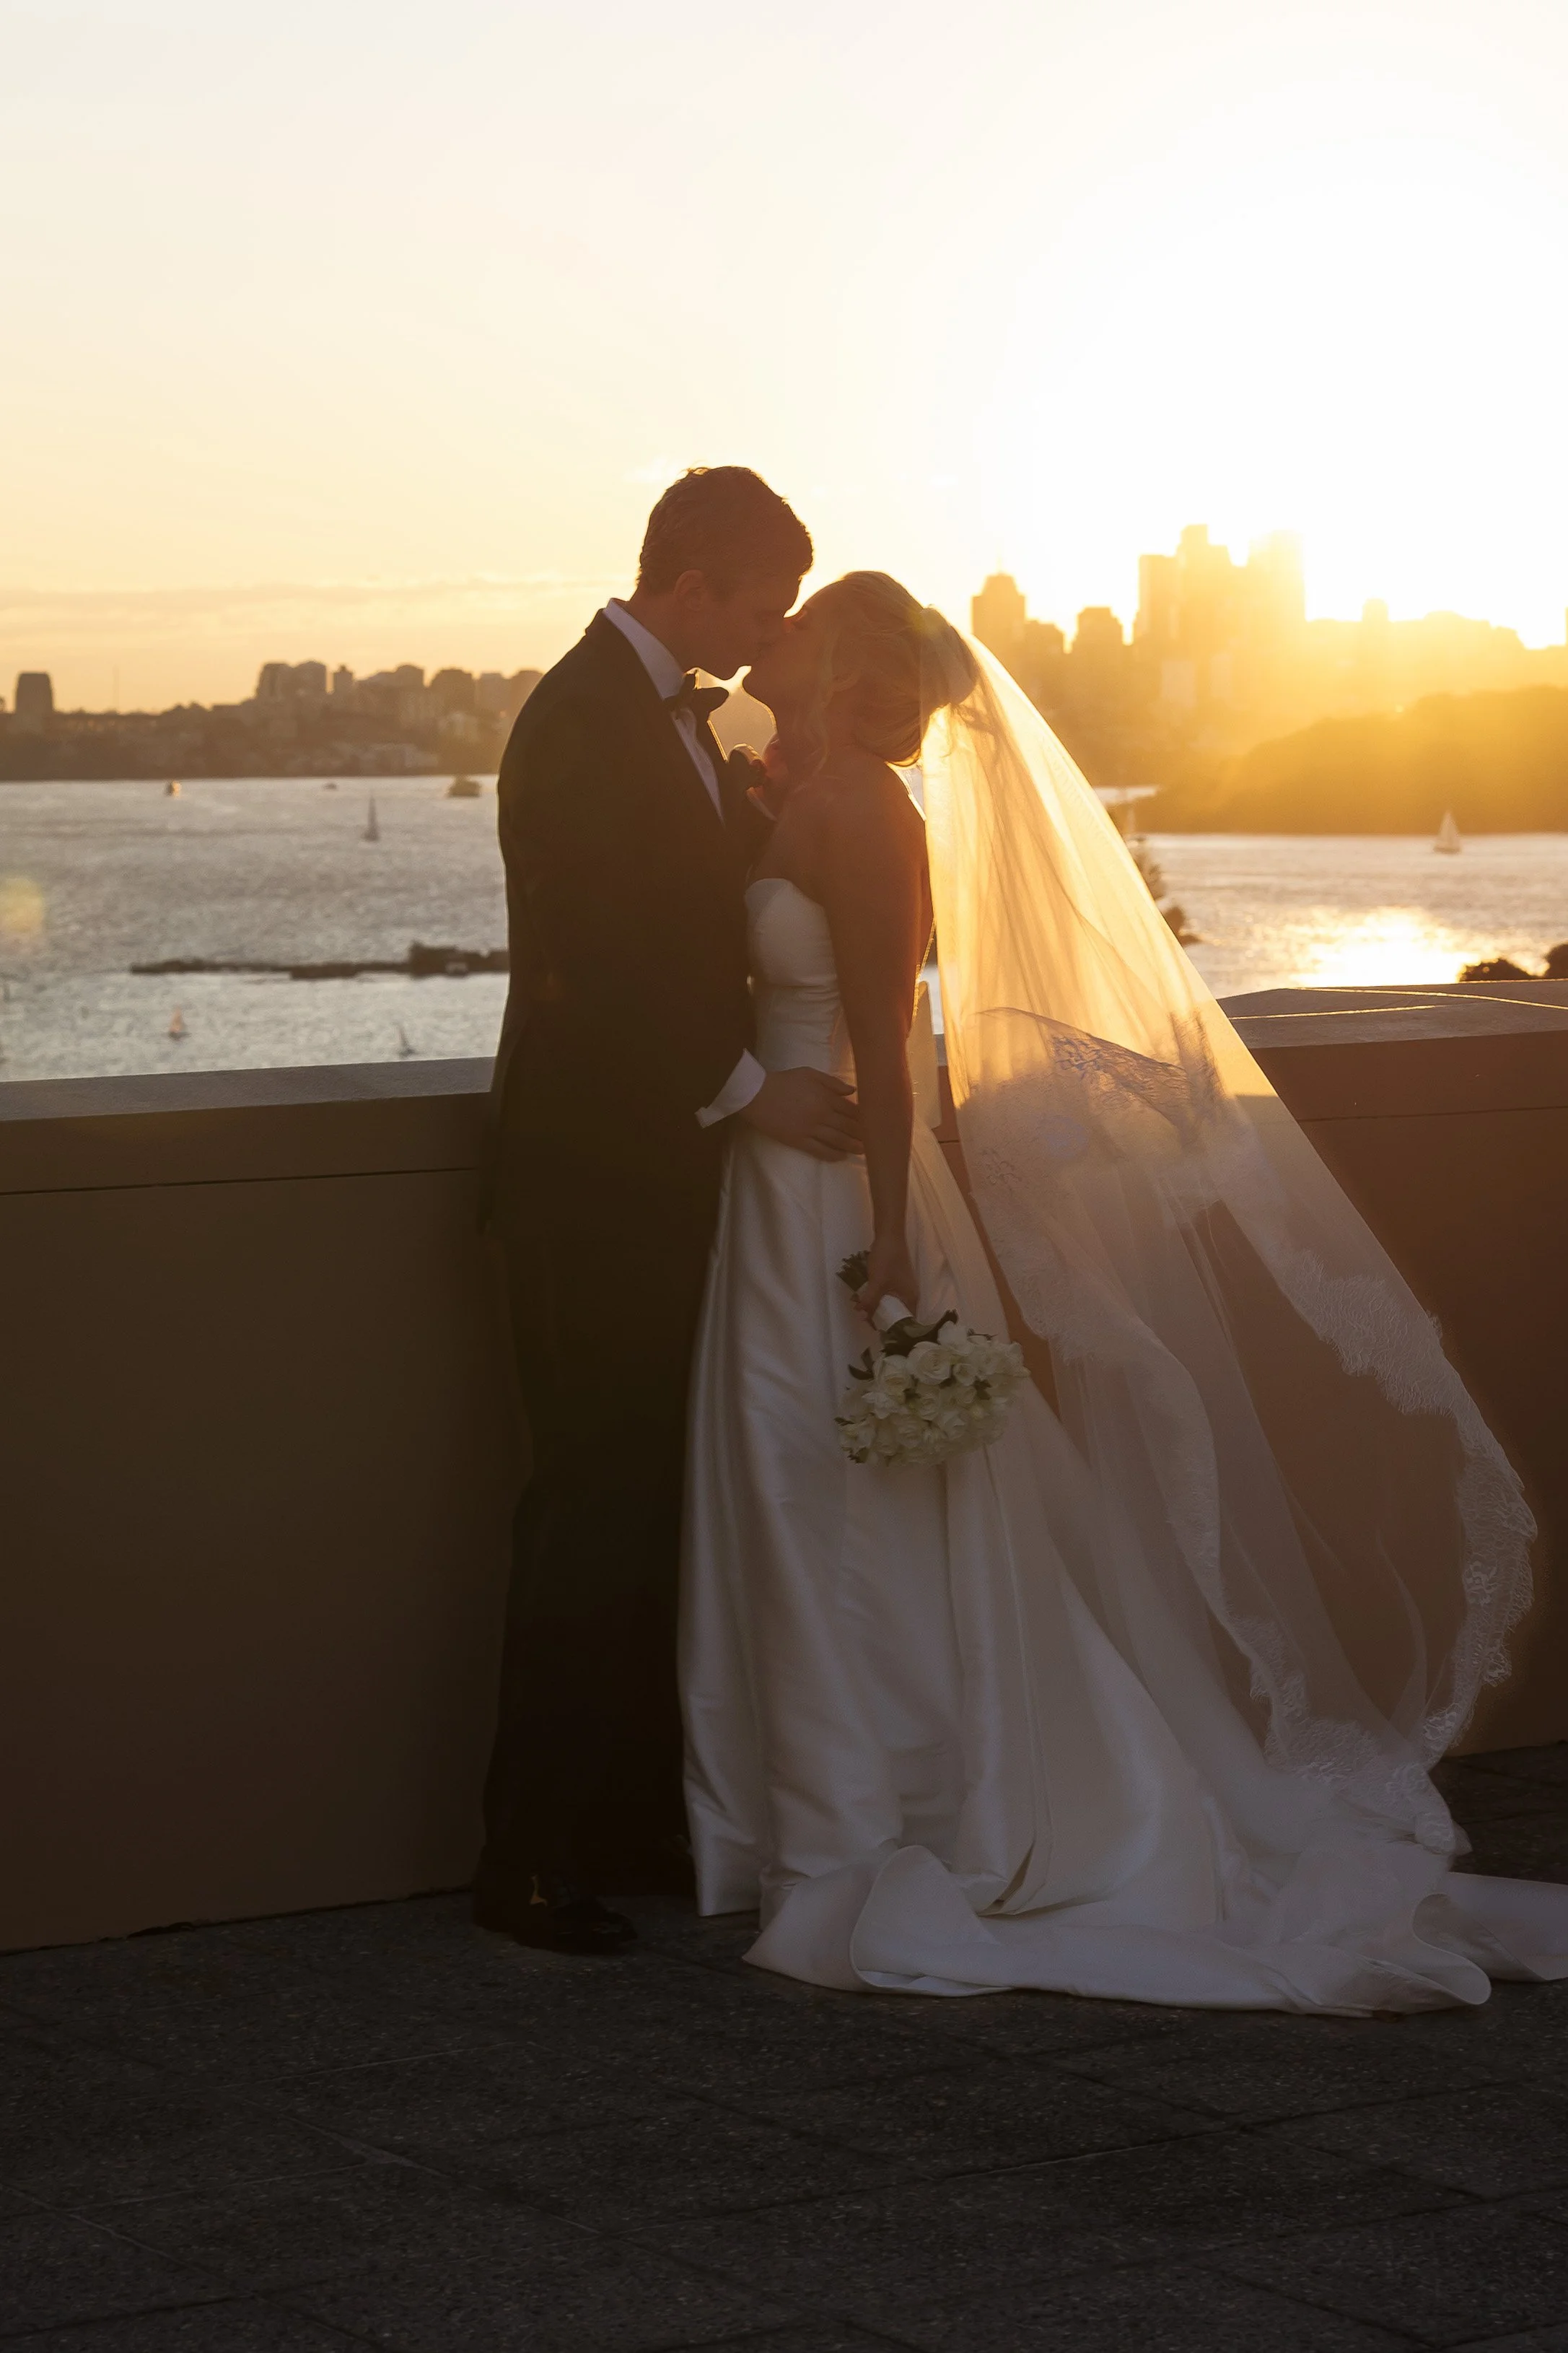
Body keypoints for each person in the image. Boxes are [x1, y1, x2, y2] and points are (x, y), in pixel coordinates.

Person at [681, 569, 1568, 2011]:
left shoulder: (872, 814)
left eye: (791, 622)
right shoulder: (797, 787)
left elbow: (894, 1039)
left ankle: (912, 1800)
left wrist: (896, 1231)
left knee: (858, 1487)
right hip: (769, 1188)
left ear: (835, 654)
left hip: (846, 1179)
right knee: (787, 1478)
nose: (764, 634)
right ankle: (806, 1798)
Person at [476, 468, 859, 1955]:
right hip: (589, 1185)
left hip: (662, 1183)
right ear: (692, 581)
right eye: (760, 605)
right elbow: (594, 963)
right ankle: (523, 1860)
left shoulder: (684, 728)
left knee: (648, 1508)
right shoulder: (577, 719)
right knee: (586, 1510)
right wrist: (745, 1084)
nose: (767, 639)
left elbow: (683, 927)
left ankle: (623, 1817)